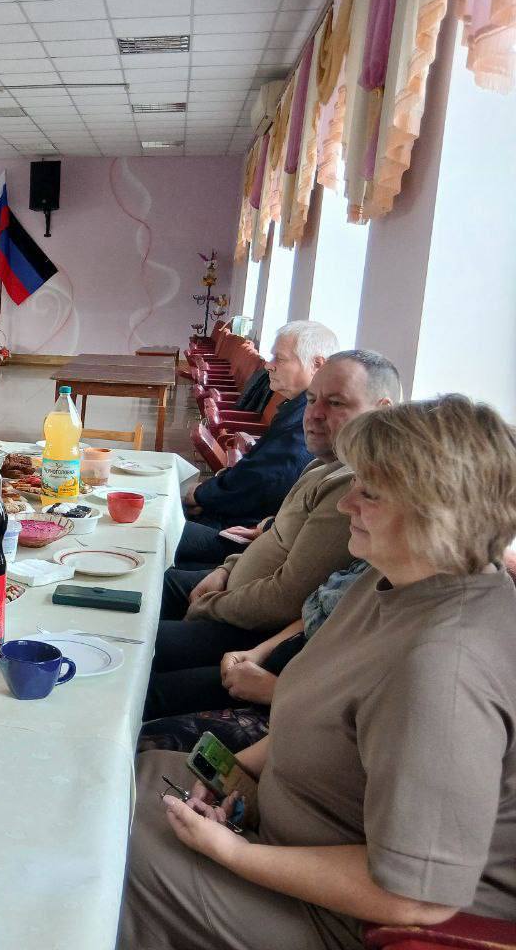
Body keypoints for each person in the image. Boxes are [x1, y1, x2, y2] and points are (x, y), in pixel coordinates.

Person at [122, 395, 516, 950]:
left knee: (108, 851)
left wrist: (234, 853)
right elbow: (308, 717)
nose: (347, 502)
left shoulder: (444, 668)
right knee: (131, 775)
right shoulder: (383, 584)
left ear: (438, 512)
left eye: (370, 492)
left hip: (344, 917)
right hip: (279, 835)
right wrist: (230, 775)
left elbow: (416, 897)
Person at [147, 351, 402, 719]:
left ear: (381, 409)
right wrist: (225, 569)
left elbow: (287, 599)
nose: (312, 414)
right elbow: (274, 537)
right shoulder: (326, 462)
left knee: (135, 653)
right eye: (312, 400)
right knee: (137, 582)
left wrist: (210, 605)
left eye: (336, 403)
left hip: (247, 629)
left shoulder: (353, 486)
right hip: (233, 594)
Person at [138, 560, 370, 754]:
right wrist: (256, 654)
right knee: (144, 688)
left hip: (292, 709)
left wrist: (278, 690)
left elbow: (354, 717)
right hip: (270, 674)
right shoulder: (369, 568)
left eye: (373, 501)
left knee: (144, 731)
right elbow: (312, 618)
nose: (348, 505)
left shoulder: (400, 623)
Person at [177, 320, 339, 568]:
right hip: (243, 516)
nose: (268, 365)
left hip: (244, 528)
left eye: (279, 359)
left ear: (317, 365)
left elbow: (264, 482)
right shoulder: (297, 407)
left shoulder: (310, 421)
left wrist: (203, 496)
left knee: (153, 531)